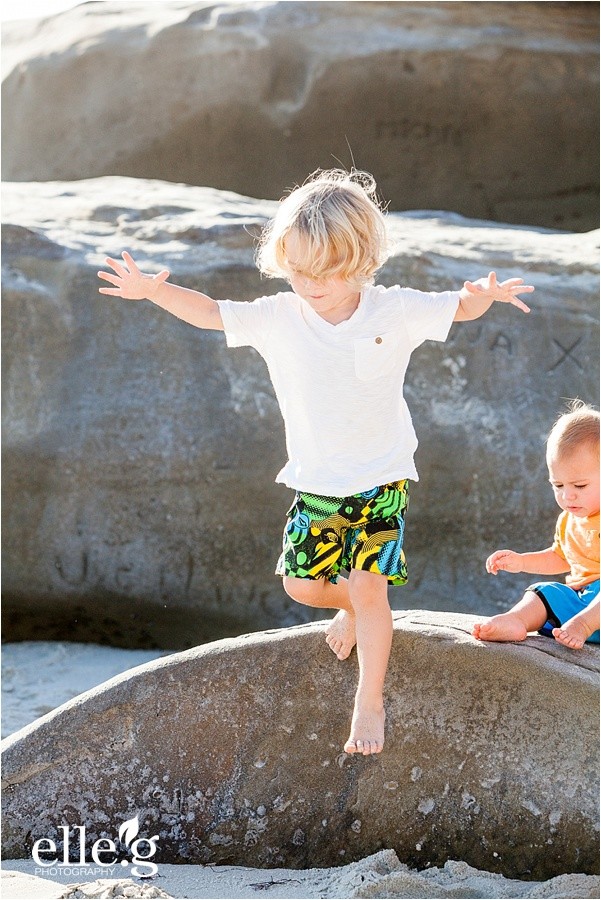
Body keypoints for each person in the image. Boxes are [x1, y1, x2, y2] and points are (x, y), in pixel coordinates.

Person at [98, 168, 534, 755]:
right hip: (317, 484)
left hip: (382, 480)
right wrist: (154, 291)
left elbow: (457, 308)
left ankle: (369, 703)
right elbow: (210, 312)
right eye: (297, 269)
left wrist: (482, 297)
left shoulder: (393, 309)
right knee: (301, 586)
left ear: (361, 260)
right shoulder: (280, 317)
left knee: (370, 588)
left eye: (323, 272)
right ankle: (356, 609)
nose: (308, 283)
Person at [473, 401, 600, 650]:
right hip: (580, 605)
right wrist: (521, 562)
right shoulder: (568, 519)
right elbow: (560, 558)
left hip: (590, 616)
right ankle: (516, 620)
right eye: (558, 485)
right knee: (545, 592)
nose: (567, 496)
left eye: (579, 486)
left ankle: (583, 626)